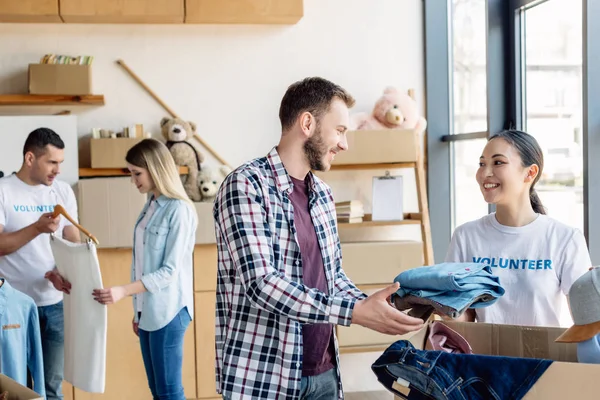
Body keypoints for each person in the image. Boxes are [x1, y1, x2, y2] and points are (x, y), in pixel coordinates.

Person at [212, 77, 425, 400]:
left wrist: (380, 306)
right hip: (263, 377)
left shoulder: (323, 195)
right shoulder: (245, 186)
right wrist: (353, 312)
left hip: (324, 372)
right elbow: (262, 284)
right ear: (307, 123)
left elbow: (332, 277)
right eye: (339, 131)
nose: (344, 144)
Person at [445, 129, 591, 327]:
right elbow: (466, 318)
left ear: (530, 173)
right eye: (482, 164)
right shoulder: (465, 236)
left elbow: (587, 321)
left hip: (544, 357)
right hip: (484, 357)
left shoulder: (565, 238)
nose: (485, 173)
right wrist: (444, 310)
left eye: (498, 162)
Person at [92, 138, 197, 400]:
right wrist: (139, 311)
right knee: (157, 391)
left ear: (155, 169)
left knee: (169, 392)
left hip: (169, 312)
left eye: (136, 173)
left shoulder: (179, 210)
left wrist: (122, 291)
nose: (133, 180)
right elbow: (141, 264)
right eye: (131, 173)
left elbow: (168, 272)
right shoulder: (150, 206)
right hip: (148, 312)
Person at [0, 127, 79, 400]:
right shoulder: (3, 191)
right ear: (30, 158)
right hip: (12, 308)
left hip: (54, 304)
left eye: (60, 163)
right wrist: (37, 227)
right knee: (15, 387)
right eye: (52, 162)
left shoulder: (63, 191)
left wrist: (65, 269)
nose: (57, 170)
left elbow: (72, 239)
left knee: (52, 388)